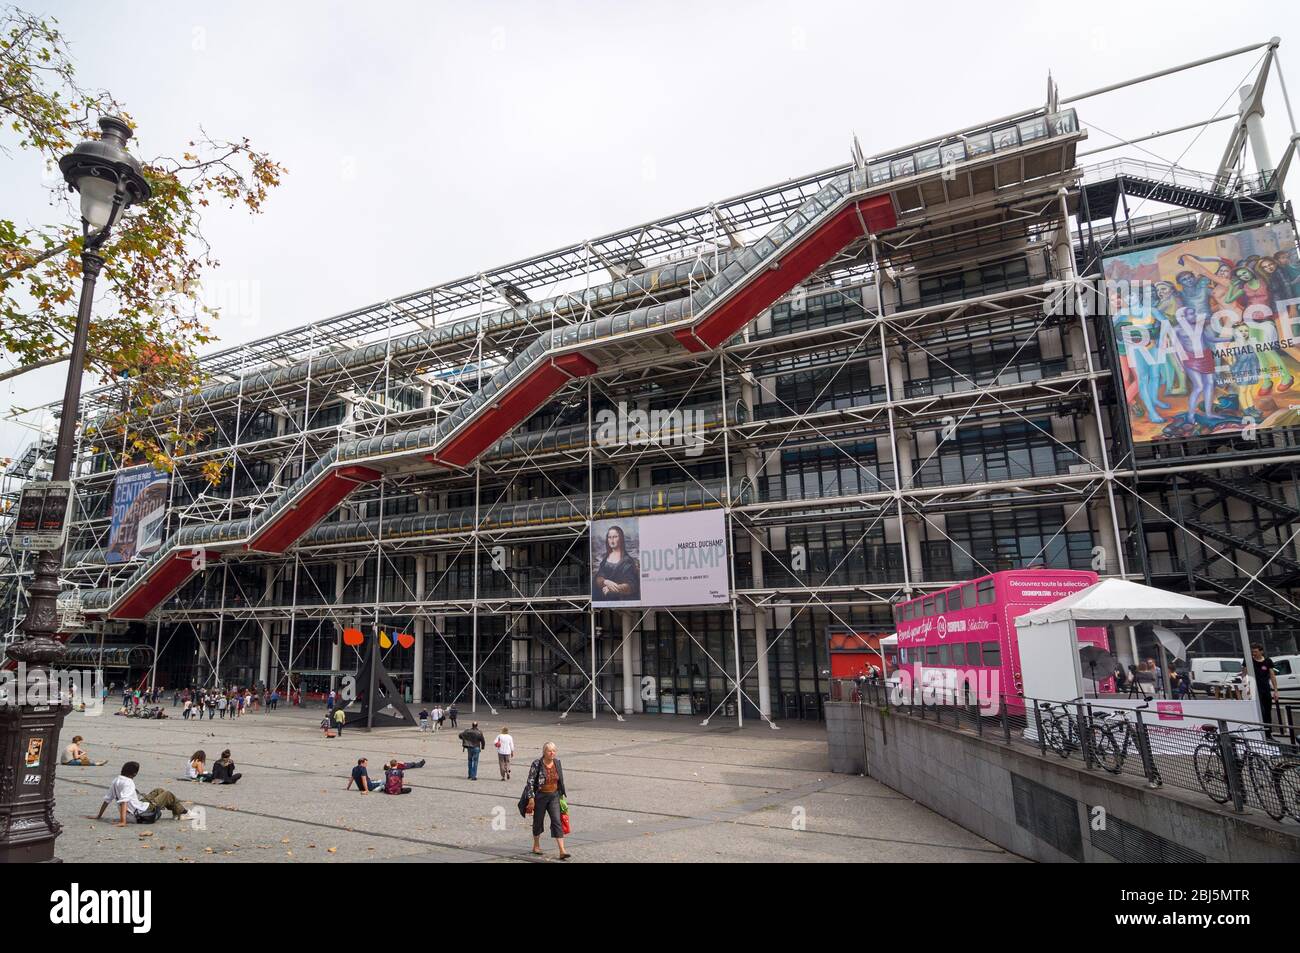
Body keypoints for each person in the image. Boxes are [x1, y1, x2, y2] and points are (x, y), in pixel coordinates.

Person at [96, 762, 187, 825]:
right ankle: (183, 812)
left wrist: (98, 816)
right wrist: (123, 821)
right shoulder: (129, 782)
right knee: (167, 794)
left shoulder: (116, 780)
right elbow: (124, 801)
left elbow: (107, 800)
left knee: (158, 790)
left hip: (136, 807)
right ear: (135, 774)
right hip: (139, 813)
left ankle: (177, 812)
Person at [522, 742, 570, 860]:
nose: (552, 753)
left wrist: (561, 795)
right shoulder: (537, 764)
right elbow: (530, 782)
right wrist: (531, 798)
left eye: (554, 750)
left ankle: (562, 850)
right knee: (538, 821)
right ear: (544, 752)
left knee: (556, 821)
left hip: (554, 796)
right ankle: (536, 845)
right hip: (540, 796)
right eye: (549, 751)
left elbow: (560, 780)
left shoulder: (557, 763)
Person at [593, 524, 640, 601]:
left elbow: (632, 585)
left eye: (615, 537)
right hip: (604, 599)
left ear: (620, 539)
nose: (612, 540)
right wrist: (605, 581)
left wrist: (614, 588)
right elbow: (598, 577)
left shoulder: (628, 561)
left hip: (622, 601)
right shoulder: (605, 559)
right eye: (609, 537)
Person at [1252, 643, 1279, 736]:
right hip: (1254, 690)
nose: (1254, 653)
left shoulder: (1267, 661)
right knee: (1260, 711)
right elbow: (1244, 672)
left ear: (1261, 651)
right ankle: (1260, 733)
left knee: (1267, 711)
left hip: (1266, 689)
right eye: (1253, 651)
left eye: (1256, 651)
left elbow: (1272, 675)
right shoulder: (1249, 660)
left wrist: (1275, 691)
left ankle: (1268, 733)